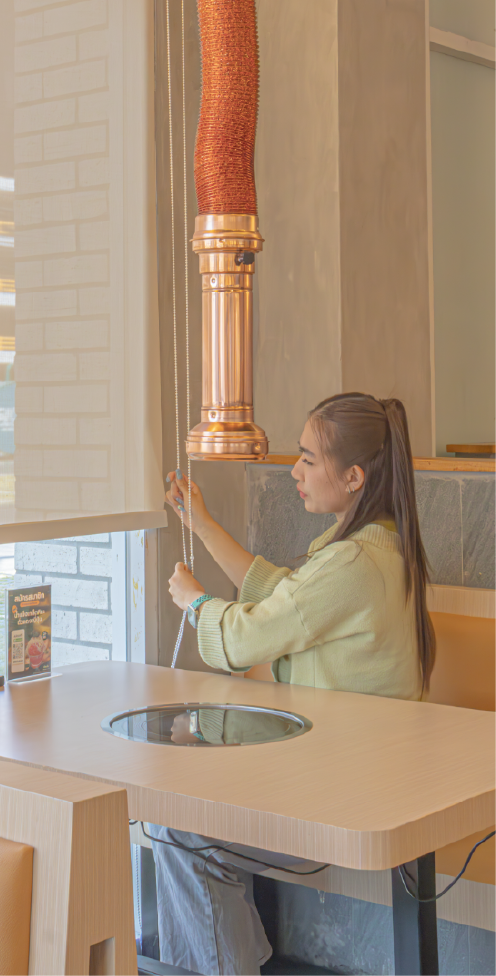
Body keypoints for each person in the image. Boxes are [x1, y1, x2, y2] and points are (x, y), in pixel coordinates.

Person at [149, 392, 436, 976]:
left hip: (342, 799)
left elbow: (247, 636)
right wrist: (202, 525)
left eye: (308, 458)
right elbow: (284, 594)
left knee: (175, 826)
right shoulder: (378, 549)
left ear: (353, 477)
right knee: (182, 813)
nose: (294, 471)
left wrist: (194, 602)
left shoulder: (350, 565)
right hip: (362, 781)